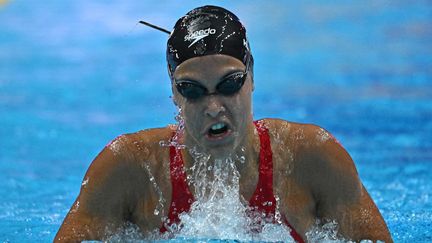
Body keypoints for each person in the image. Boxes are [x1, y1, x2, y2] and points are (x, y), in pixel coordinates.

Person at [55, 5, 392, 242]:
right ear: (173, 92)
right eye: (193, 91)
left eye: (229, 84)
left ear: (252, 77)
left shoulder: (311, 159)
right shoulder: (130, 169)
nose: (214, 107)